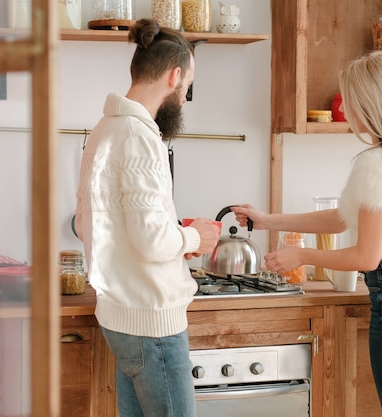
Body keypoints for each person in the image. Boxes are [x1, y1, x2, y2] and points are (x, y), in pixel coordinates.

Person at [232, 50, 382, 417]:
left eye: (348, 100)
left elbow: (365, 257)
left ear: (367, 103)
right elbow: (343, 218)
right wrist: (268, 220)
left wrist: (303, 255)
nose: (345, 110)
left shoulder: (376, 162)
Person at [74, 18, 220, 417]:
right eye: (187, 87)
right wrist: (194, 239)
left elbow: (91, 222)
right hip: (153, 322)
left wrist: (177, 236)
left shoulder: (104, 129)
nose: (185, 97)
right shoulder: (139, 138)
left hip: (122, 316)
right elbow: (152, 240)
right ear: (174, 76)